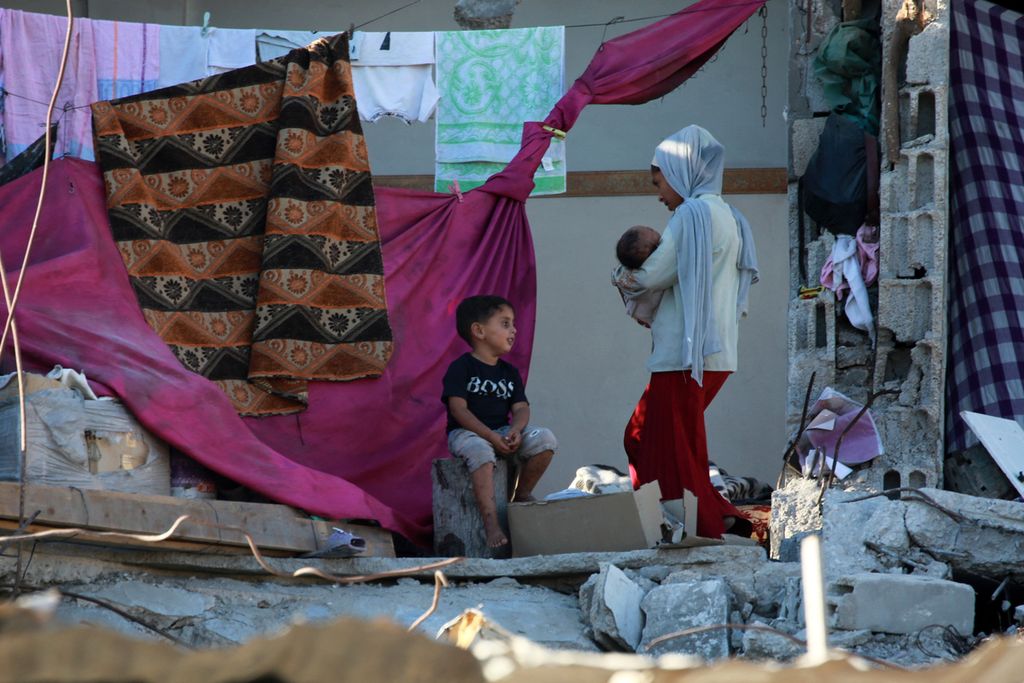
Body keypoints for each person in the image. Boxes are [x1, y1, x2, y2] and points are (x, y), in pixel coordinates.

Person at [622, 125, 759, 539]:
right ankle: (719, 516)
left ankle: (703, 532)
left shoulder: (691, 214)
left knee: (650, 441)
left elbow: (651, 276)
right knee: (683, 449)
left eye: (658, 180)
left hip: (685, 357)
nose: (658, 192)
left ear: (680, 172)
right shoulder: (729, 216)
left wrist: (621, 276)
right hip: (715, 356)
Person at [441, 295, 558, 548]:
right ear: (479, 330)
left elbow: (521, 408)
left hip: (502, 431)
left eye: (513, 324)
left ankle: (521, 494)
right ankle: (490, 521)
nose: (514, 330)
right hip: (467, 434)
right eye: (505, 323)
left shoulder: (509, 372)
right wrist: (491, 437)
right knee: (480, 451)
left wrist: (515, 430)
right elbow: (458, 410)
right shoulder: (461, 368)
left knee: (546, 439)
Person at [612, 225, 664, 327]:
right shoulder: (648, 277)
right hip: (646, 313)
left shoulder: (621, 273)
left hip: (638, 312)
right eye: (651, 230)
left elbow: (615, 279)